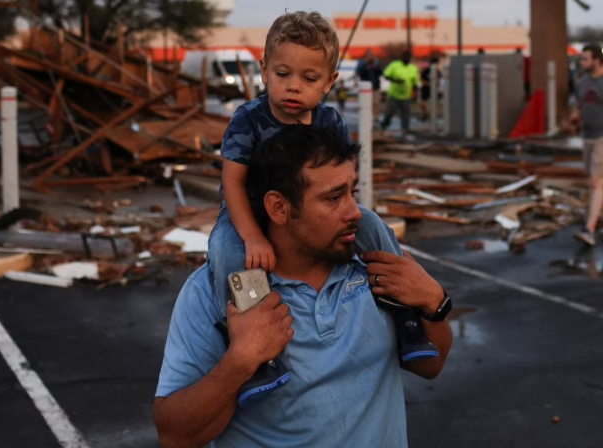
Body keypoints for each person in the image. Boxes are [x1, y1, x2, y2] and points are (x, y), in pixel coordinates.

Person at [154, 125, 454, 448]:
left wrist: (434, 303)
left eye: (352, 192)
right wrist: (240, 362)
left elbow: (430, 365)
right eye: (333, 198)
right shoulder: (213, 291)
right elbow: (175, 436)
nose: (355, 212)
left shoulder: (376, 266)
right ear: (279, 208)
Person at [208, 10, 440, 403]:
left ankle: (405, 313)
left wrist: (341, 213)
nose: (293, 87)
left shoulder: (329, 122)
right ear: (264, 70)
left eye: (309, 78)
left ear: (330, 82)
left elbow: (340, 181)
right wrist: (251, 236)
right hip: (248, 212)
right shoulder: (247, 120)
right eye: (283, 75)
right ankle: (255, 349)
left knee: (371, 223)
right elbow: (231, 183)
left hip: (309, 213)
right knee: (226, 252)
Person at [571, 44, 603, 246]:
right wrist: (575, 116)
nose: (582, 62)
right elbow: (579, 104)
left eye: (585, 59)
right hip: (587, 135)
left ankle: (589, 228)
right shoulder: (582, 83)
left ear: (597, 61)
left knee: (595, 180)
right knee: (594, 181)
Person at [380, 50, 420, 135]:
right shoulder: (395, 65)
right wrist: (396, 80)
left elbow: (415, 83)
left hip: (406, 96)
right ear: (402, 57)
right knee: (389, 112)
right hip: (394, 95)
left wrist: (415, 95)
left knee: (406, 114)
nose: (407, 59)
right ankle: (384, 125)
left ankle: (405, 129)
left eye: (408, 58)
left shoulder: (413, 68)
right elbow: (386, 75)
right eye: (405, 57)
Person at [355, 49, 384, 121]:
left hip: (375, 87)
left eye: (372, 55)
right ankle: (366, 117)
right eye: (369, 55)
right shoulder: (362, 63)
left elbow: (381, 73)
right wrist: (365, 66)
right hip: (366, 88)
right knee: (366, 104)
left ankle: (376, 118)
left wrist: (376, 67)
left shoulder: (376, 63)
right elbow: (358, 72)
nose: (371, 57)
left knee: (376, 103)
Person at [419, 57, 442, 121]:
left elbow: (439, 81)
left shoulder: (438, 71)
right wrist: (428, 84)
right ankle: (426, 113)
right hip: (425, 88)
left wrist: (438, 88)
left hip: (433, 89)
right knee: (422, 103)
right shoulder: (426, 71)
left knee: (433, 103)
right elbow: (422, 79)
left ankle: (430, 115)